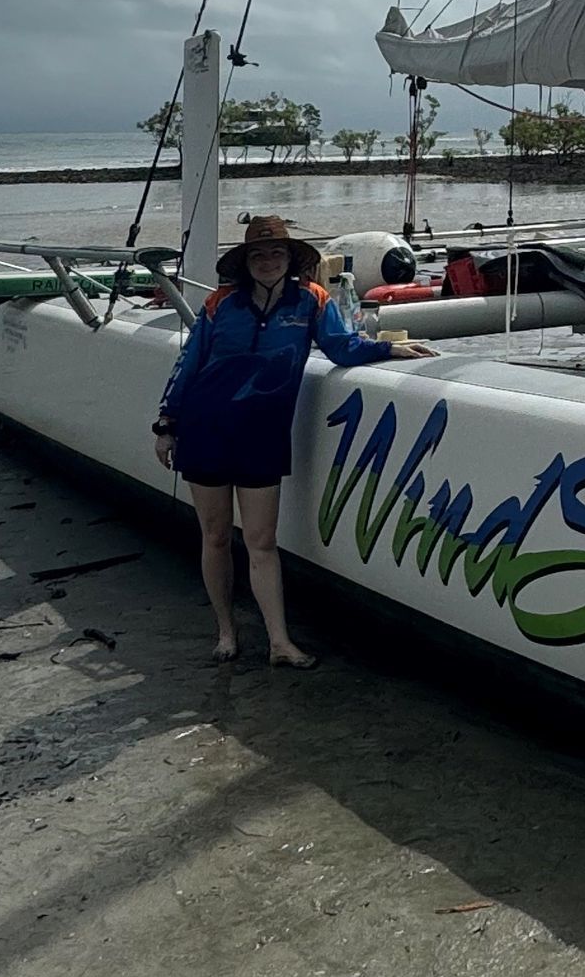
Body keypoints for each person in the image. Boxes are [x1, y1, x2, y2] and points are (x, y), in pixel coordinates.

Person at [152, 214, 433, 668]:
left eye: (276, 253)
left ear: (290, 259)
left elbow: (342, 347)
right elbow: (189, 364)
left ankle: (279, 641)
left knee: (262, 541)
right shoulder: (219, 304)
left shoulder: (312, 301)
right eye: (258, 255)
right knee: (216, 536)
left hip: (262, 435)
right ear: (245, 263)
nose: (267, 261)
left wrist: (389, 348)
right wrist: (166, 424)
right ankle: (226, 630)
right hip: (205, 428)